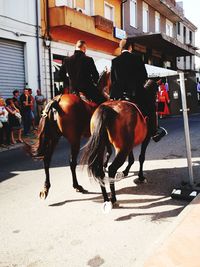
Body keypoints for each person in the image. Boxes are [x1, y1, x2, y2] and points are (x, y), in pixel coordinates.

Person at [110, 38, 167, 142]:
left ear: (121, 48)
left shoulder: (114, 61)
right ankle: (154, 133)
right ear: (130, 47)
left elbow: (113, 80)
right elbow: (144, 76)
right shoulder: (137, 58)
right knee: (151, 106)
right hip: (135, 93)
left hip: (118, 95)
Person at [59, 40, 106, 104]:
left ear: (76, 47)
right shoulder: (88, 59)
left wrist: (70, 82)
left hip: (73, 90)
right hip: (88, 90)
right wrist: (95, 83)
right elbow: (96, 76)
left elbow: (60, 75)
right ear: (84, 48)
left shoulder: (67, 60)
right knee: (104, 103)